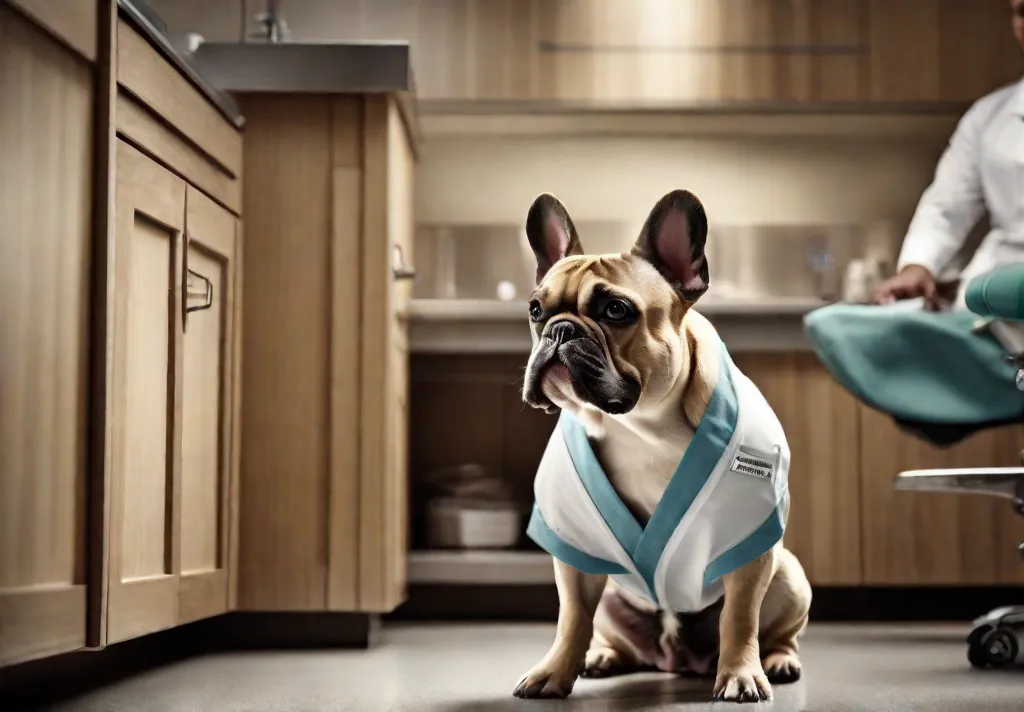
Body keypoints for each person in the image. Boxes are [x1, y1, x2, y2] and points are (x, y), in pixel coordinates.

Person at [874, 0, 1024, 310]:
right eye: (1023, 12)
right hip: (994, 298)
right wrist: (918, 265)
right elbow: (947, 205)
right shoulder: (989, 117)